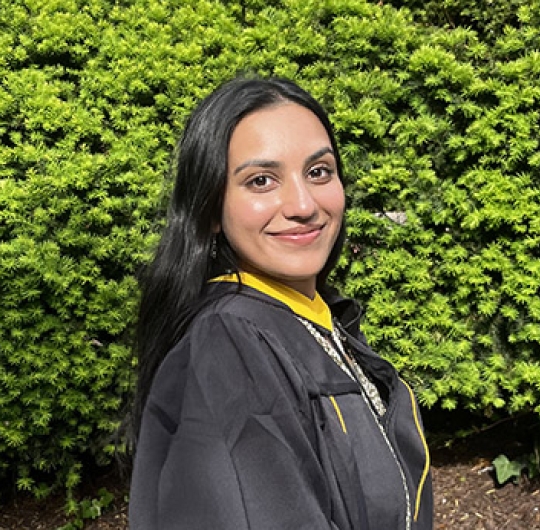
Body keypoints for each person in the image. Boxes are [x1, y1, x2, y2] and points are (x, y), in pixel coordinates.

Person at [128, 75, 433, 529]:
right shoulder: (230, 348)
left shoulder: (313, 322)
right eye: (262, 180)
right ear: (211, 209)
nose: (303, 203)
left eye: (318, 172)